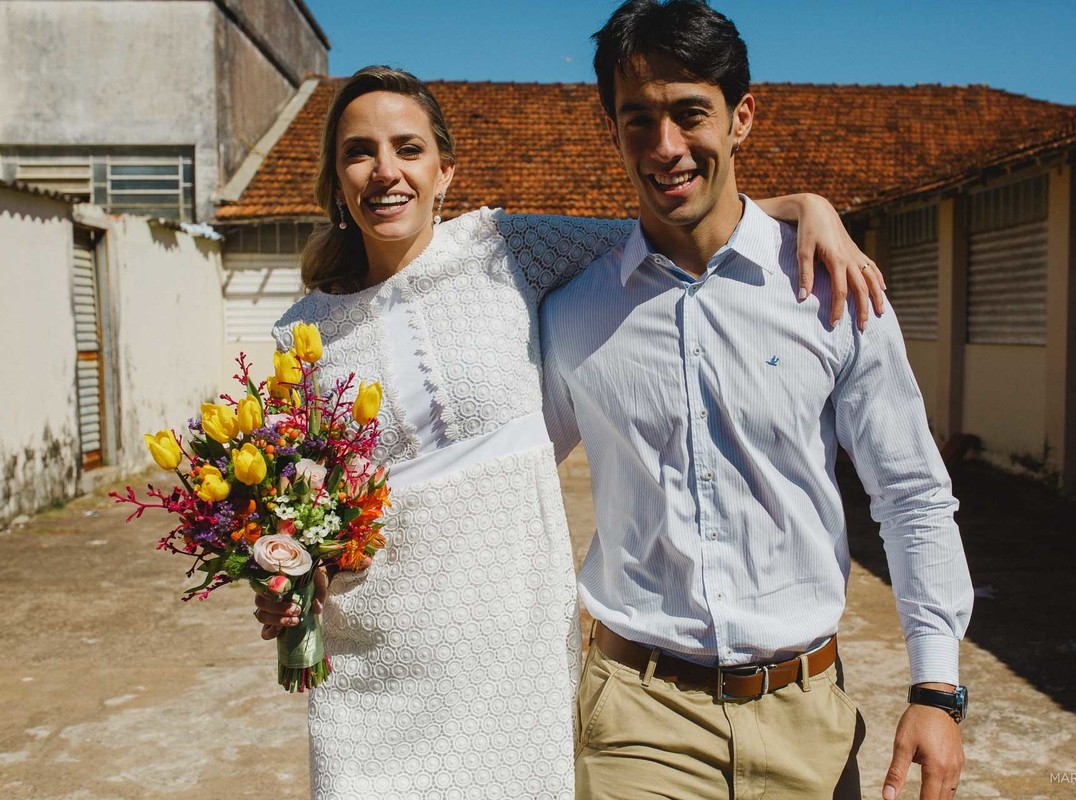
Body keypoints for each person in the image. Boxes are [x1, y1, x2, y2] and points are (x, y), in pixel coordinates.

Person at [250, 64, 886, 798]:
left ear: (446, 170)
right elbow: (305, 508)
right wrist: (287, 578)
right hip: (373, 662)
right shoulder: (302, 335)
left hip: (516, 657)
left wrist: (805, 206)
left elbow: (668, 227)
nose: (385, 171)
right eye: (359, 152)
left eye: (408, 148)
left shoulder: (506, 249)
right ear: (336, 178)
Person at [539, 2, 974, 799]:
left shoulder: (834, 290)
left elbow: (911, 493)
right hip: (639, 717)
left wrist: (936, 688)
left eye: (689, 113)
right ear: (612, 132)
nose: (665, 146)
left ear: (742, 116)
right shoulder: (574, 314)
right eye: (638, 120)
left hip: (806, 714)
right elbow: (507, 475)